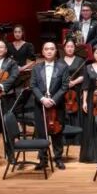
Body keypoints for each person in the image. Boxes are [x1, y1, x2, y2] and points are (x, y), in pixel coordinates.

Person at [30, 42, 67, 170]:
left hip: (57, 105)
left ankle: (58, 158)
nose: (49, 51)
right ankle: (43, 159)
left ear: (56, 51)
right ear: (43, 51)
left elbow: (64, 86)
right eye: (46, 49)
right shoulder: (36, 68)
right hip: (40, 105)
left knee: (57, 132)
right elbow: (33, 85)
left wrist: (53, 100)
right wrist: (42, 99)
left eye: (52, 49)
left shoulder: (63, 67)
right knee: (41, 132)